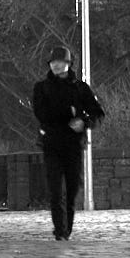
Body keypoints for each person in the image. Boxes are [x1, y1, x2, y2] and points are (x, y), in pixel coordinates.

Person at [32, 45, 104, 240]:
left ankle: (67, 228)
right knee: (56, 190)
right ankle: (59, 229)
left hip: (73, 145)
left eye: (60, 62)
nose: (56, 65)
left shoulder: (80, 88)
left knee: (71, 189)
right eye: (53, 62)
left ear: (68, 64)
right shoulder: (41, 88)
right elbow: (41, 113)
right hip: (52, 144)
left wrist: (84, 121)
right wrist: (68, 114)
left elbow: (98, 113)